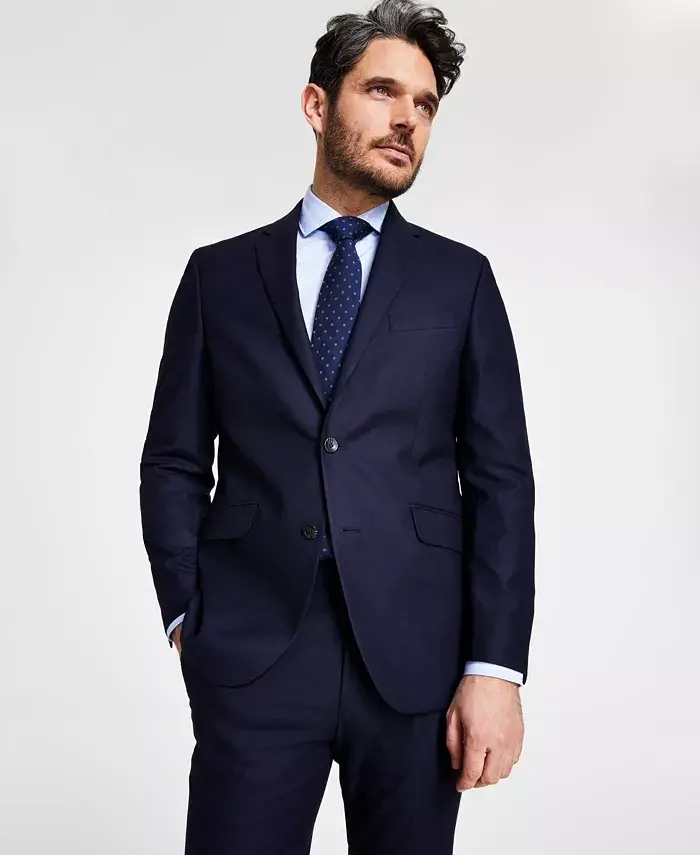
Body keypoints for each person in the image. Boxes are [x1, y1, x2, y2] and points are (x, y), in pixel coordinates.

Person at [139, 1, 535, 852]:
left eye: (424, 104)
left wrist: (495, 668)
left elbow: (501, 480)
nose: (407, 120)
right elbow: (173, 460)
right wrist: (185, 615)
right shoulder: (219, 276)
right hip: (253, 650)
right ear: (317, 105)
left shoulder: (460, 281)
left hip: (417, 659)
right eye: (383, 91)